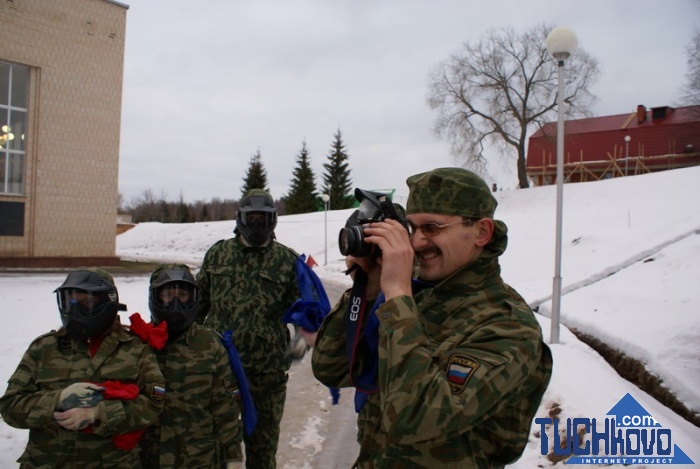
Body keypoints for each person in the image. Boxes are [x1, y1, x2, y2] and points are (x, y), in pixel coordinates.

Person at [311, 168, 553, 468]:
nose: (417, 243)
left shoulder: (507, 325)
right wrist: (369, 292)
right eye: (412, 229)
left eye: (433, 228)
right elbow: (330, 369)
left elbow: (415, 419)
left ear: (482, 232)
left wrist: (398, 294)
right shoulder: (418, 297)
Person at [0, 268, 166, 468]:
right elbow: (10, 407)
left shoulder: (135, 349)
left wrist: (98, 413)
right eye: (70, 302)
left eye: (86, 302)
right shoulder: (45, 348)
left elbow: (153, 404)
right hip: (47, 462)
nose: (75, 310)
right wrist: (57, 400)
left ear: (107, 302)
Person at [196, 189, 301, 469]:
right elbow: (197, 306)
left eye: (264, 219)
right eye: (251, 218)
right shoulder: (218, 254)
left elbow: (305, 311)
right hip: (220, 373)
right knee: (216, 448)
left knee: (262, 452)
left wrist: (301, 339)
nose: (257, 226)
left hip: (266, 377)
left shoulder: (287, 261)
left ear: (274, 221)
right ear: (240, 218)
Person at [131, 263, 243, 468]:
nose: (175, 303)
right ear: (155, 297)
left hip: (198, 458)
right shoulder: (137, 343)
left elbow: (225, 407)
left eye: (182, 295)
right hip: (147, 457)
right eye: (167, 295)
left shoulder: (209, 344)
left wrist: (233, 456)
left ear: (193, 298)